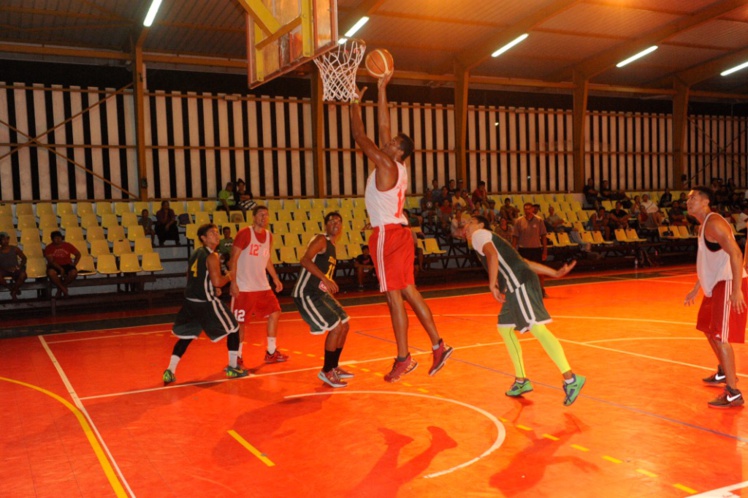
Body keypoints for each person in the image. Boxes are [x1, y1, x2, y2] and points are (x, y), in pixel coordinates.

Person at [349, 71, 452, 382]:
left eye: (393, 143)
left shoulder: (385, 164)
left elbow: (360, 137)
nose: (388, 141)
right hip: (402, 234)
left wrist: (354, 104)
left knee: (394, 298)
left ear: (399, 152)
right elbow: (384, 125)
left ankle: (403, 357)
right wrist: (382, 88)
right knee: (409, 290)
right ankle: (438, 345)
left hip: (387, 236)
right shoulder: (398, 165)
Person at [466, 214, 585, 405]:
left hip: (519, 283)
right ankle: (521, 380)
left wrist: (492, 284)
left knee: (537, 328)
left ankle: (571, 379)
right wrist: (553, 272)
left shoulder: (479, 234)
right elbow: (524, 262)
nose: (467, 225)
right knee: (505, 329)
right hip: (517, 284)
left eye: (470, 222)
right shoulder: (494, 240)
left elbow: (492, 255)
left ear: (480, 224)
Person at [684, 187, 747, 408]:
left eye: (693, 198)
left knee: (720, 336)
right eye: (688, 199)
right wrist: (697, 287)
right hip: (715, 284)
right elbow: (710, 260)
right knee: (707, 328)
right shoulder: (703, 226)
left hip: (728, 282)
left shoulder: (714, 223)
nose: (688, 201)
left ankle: (733, 392)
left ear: (706, 201)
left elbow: (736, 253)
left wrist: (737, 289)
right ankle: (723, 371)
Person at [162, 223, 248, 384]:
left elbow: (190, 275)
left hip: (190, 301)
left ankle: (170, 370)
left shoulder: (196, 252)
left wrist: (209, 286)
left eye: (216, 232)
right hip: (205, 302)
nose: (216, 235)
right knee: (234, 328)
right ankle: (233, 367)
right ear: (203, 238)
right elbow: (218, 281)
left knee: (187, 337)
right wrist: (229, 276)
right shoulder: (212, 256)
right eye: (212, 233)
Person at [293, 212, 352, 388]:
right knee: (336, 326)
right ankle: (326, 371)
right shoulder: (321, 239)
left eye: (338, 221)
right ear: (326, 225)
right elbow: (304, 260)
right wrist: (325, 279)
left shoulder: (333, 246)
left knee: (345, 324)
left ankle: (333, 366)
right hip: (306, 293)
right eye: (331, 221)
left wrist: (326, 284)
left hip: (320, 293)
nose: (335, 223)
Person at [229, 205, 287, 365]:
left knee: (275, 312)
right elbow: (233, 259)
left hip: (262, 286)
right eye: (261, 214)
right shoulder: (244, 233)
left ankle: (271, 352)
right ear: (254, 217)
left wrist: (275, 278)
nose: (264, 217)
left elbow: (266, 259)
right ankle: (237, 356)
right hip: (244, 287)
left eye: (266, 215)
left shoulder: (268, 236)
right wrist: (233, 282)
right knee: (240, 323)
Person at [513, 202, 548, 296]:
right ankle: (523, 291)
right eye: (525, 209)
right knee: (523, 272)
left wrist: (545, 251)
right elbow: (515, 237)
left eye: (529, 209)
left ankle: (541, 290)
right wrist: (513, 250)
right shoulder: (519, 221)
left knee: (539, 272)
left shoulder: (539, 220)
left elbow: (543, 236)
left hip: (536, 249)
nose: (527, 210)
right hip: (523, 250)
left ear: (532, 209)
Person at [44, 230, 80, 298]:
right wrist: (60, 269)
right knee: (51, 273)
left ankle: (60, 288)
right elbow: (51, 261)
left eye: (59, 238)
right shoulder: (49, 248)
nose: (58, 240)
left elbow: (78, 254)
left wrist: (74, 264)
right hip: (54, 265)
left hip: (67, 264)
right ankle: (63, 288)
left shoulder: (67, 245)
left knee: (74, 273)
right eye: (56, 238)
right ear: (52, 239)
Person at [0, 231, 27, 300]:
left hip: (15, 269)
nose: (5, 241)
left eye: (7, 239)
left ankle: (14, 291)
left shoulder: (15, 249)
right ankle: (12, 289)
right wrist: (6, 269)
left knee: (23, 275)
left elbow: (24, 258)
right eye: (3, 239)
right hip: (4, 270)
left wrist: (19, 266)